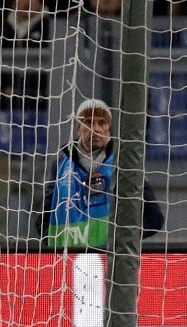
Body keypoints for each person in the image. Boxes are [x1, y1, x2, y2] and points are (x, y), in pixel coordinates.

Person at [35, 98, 164, 248]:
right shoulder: (61, 165)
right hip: (66, 260)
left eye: (102, 123)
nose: (95, 129)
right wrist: (55, 242)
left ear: (109, 129)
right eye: (88, 122)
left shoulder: (124, 163)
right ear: (78, 128)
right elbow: (42, 220)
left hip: (110, 260)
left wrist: (123, 237)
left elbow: (154, 218)